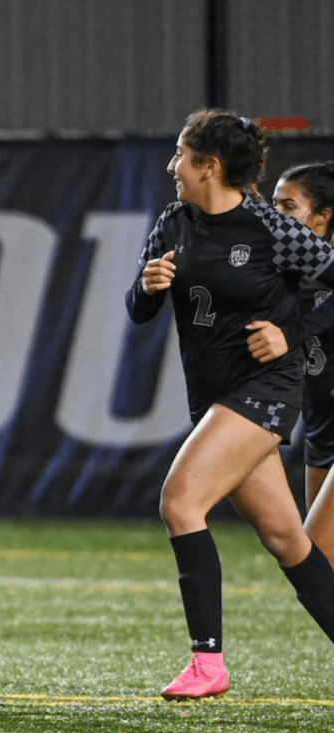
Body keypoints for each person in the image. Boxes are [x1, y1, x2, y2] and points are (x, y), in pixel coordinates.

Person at [125, 110, 334, 701]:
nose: (173, 167)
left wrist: (291, 334)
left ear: (210, 166)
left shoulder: (272, 228)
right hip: (213, 395)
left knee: (180, 500)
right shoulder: (174, 221)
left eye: (181, 156)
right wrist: (146, 288)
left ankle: (207, 662)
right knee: (287, 539)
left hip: (265, 388)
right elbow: (138, 311)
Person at [266, 163, 334, 558]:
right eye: (274, 205)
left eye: (288, 206)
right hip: (320, 421)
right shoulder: (281, 267)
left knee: (318, 550)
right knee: (323, 564)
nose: (277, 216)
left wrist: (291, 333)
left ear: (322, 216)